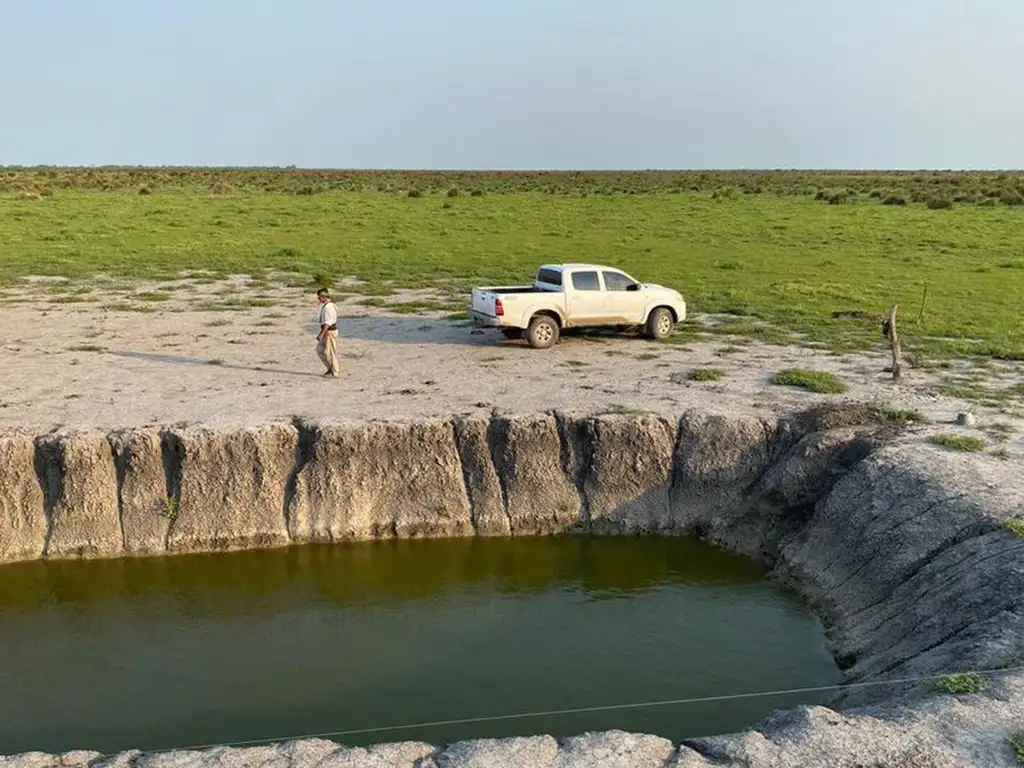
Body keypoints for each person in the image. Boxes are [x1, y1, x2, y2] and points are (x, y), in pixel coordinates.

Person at [315, 287, 340, 377]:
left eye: (319, 297)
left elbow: (328, 323)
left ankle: (334, 371)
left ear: (323, 297)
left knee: (330, 352)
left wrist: (321, 334)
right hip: (326, 331)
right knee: (320, 350)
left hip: (329, 331)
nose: (318, 299)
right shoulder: (326, 306)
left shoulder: (329, 307)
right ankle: (330, 368)